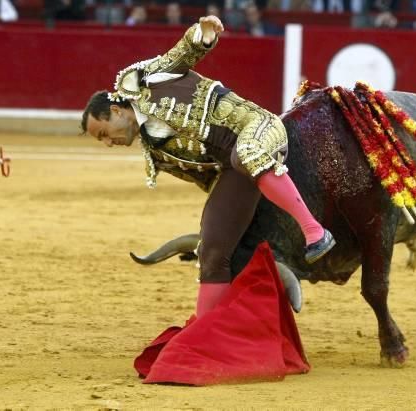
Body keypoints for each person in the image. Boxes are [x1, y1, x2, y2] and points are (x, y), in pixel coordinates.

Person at [81, 15, 336, 319]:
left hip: (258, 128)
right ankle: (204, 334)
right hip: (233, 169)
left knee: (247, 153)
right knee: (212, 250)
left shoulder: (144, 80)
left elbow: (181, 54)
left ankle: (315, 232)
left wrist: (202, 33)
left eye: (104, 134)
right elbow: (208, 179)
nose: (109, 143)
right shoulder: (156, 150)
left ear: (115, 110)